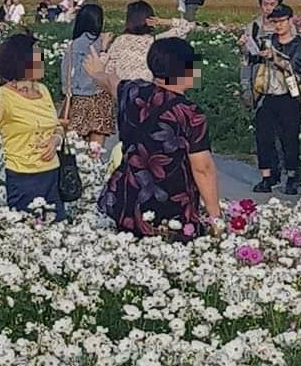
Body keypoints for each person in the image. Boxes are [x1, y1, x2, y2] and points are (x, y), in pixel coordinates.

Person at [84, 37, 221, 239]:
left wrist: (96, 71)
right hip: (172, 207)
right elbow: (203, 169)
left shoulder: (133, 91)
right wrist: (215, 217)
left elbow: (110, 84)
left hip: (129, 200)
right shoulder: (190, 113)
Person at [0, 33, 65, 220]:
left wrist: (56, 139)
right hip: (23, 176)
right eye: (36, 56)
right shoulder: (4, 95)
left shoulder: (42, 90)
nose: (41, 60)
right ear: (21, 62)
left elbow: (57, 125)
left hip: (51, 173)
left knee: (58, 227)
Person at [249, 5, 301, 194]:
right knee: (263, 136)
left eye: (282, 21)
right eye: (275, 22)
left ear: (290, 20)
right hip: (267, 94)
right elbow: (253, 60)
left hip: (288, 95)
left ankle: (292, 175)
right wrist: (246, 46)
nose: (279, 25)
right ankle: (267, 176)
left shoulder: (297, 44)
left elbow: (296, 69)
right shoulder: (268, 40)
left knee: (289, 137)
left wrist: (275, 58)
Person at [61, 2, 114, 153]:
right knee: (96, 149)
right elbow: (107, 71)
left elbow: (66, 72)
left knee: (77, 148)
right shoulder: (102, 43)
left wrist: (67, 92)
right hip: (101, 98)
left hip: (79, 98)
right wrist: (104, 49)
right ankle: (95, 173)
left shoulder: (74, 45)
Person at [238, 0, 284, 104]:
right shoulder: (253, 27)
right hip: (256, 77)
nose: (268, 8)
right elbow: (246, 59)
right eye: (265, 4)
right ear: (260, 5)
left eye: (272, 4)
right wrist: (242, 46)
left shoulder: (286, 28)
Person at [102, 1, 156, 83]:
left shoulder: (121, 41)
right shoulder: (153, 43)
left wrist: (103, 48)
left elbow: (106, 69)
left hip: (123, 90)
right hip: (146, 90)